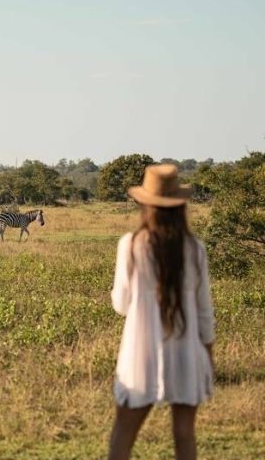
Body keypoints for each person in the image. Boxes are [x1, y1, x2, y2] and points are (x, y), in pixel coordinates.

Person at [108, 164, 215, 460]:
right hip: (186, 351)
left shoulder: (130, 245)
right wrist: (208, 355)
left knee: (123, 436)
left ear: (145, 204)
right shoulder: (195, 248)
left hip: (141, 354)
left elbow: (120, 305)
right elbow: (204, 314)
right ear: (180, 205)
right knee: (184, 436)